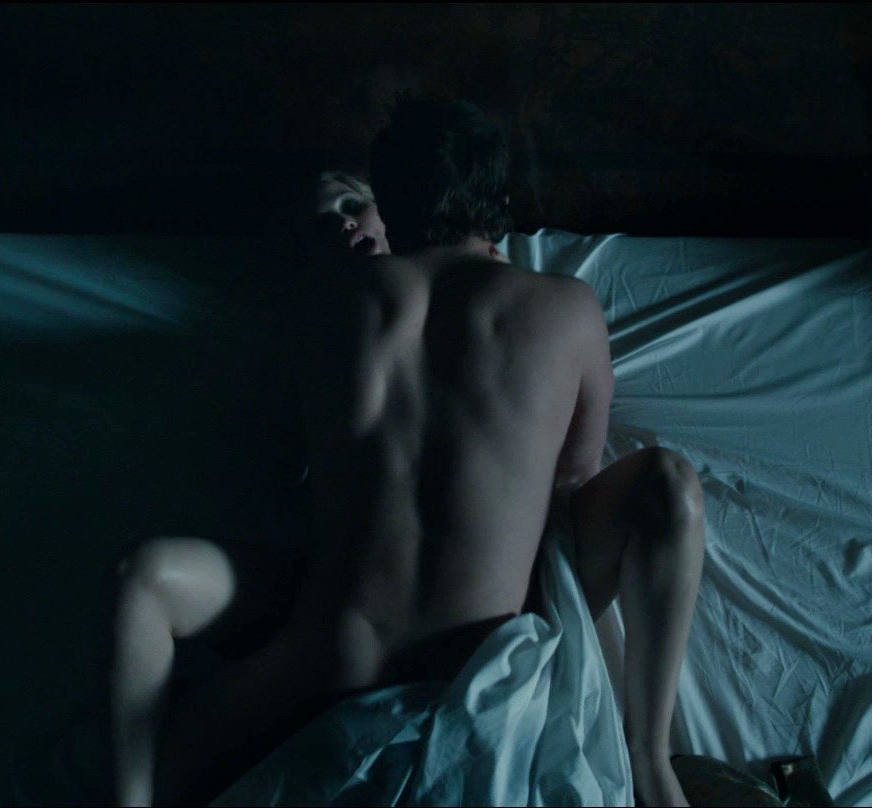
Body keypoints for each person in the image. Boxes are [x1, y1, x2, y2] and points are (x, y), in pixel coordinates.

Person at [108, 98, 704, 807]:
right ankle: (650, 755)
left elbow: (279, 468)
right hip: (475, 657)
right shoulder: (567, 306)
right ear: (500, 207)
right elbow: (572, 478)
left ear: (389, 207)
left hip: (330, 660)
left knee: (166, 752)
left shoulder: (324, 304)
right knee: (668, 481)